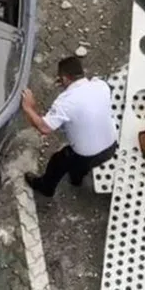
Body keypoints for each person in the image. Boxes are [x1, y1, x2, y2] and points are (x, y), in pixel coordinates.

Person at [20, 56, 118, 198]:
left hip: (86, 154)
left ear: (65, 79)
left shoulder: (65, 102)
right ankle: (76, 180)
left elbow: (44, 128)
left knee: (58, 161)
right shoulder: (101, 85)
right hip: (111, 146)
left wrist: (29, 108)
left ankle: (46, 188)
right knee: (79, 167)